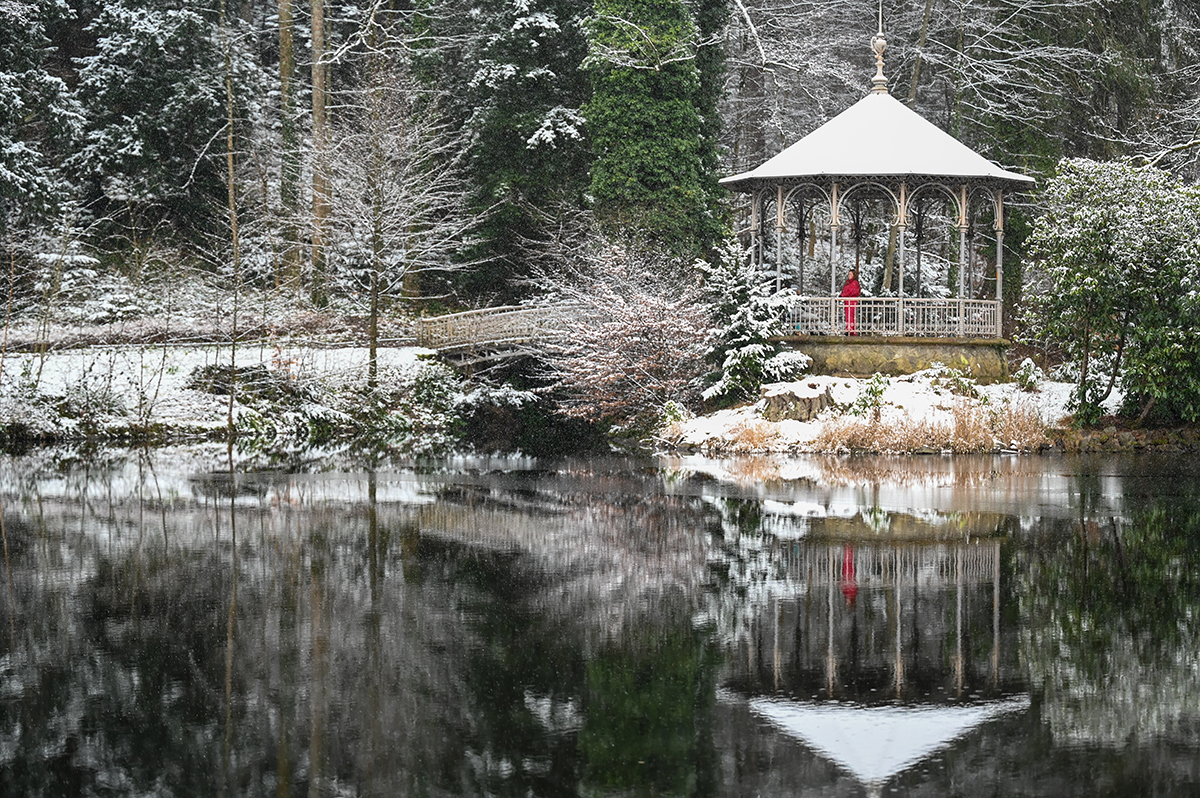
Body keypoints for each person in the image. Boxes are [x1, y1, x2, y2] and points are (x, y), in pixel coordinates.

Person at [839, 269, 861, 335]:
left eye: (851, 274)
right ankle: (850, 329)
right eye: (849, 274)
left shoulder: (854, 283)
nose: (849, 275)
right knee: (848, 315)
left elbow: (850, 291)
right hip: (848, 300)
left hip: (851, 300)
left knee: (850, 315)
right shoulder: (849, 283)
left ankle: (850, 330)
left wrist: (842, 295)